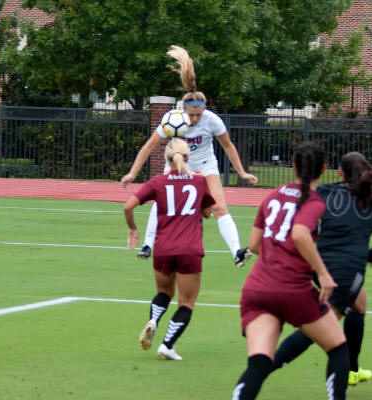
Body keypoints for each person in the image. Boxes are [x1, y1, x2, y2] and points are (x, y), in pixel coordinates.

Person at [121, 45, 258, 268]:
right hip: (177, 165)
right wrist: (132, 173)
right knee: (161, 201)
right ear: (183, 109)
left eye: (198, 114)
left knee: (219, 208)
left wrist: (242, 172)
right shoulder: (172, 120)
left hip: (205, 165)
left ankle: (237, 252)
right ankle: (147, 244)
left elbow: (228, 146)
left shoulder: (212, 120)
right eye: (191, 114)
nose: (195, 119)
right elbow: (148, 147)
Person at [232, 142, 349, 400]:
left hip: (257, 289)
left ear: (294, 166)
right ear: (324, 169)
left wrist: (275, 259)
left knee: (259, 364)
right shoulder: (314, 202)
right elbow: (299, 234)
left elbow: (254, 244)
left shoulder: (273, 195)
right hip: (293, 290)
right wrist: (323, 273)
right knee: (338, 349)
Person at [272, 151, 372, 385]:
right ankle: (265, 366)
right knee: (319, 326)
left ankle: (352, 370)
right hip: (347, 270)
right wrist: (371, 256)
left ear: (340, 172)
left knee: (359, 304)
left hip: (319, 265)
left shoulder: (325, 192)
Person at [123, 138, 216, 360]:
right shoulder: (199, 181)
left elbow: (128, 206)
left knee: (164, 293)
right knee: (186, 302)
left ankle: (153, 320)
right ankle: (167, 345)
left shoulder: (158, 182)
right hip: (189, 249)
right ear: (188, 157)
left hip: (163, 248)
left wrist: (133, 228)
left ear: (166, 158)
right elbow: (207, 212)